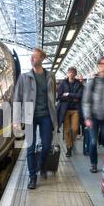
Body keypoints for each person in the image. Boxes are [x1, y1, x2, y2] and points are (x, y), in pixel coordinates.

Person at [13, 48, 57, 189]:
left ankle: (42, 165)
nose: (31, 59)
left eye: (34, 57)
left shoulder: (50, 76)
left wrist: (54, 117)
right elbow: (17, 99)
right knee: (30, 149)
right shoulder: (24, 77)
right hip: (29, 117)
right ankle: (32, 177)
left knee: (46, 146)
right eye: (31, 57)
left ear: (42, 59)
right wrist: (16, 120)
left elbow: (53, 97)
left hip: (46, 116)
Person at [82, 56, 104, 173]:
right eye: (103, 63)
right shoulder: (92, 82)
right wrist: (87, 117)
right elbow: (86, 101)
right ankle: (93, 164)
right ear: (99, 65)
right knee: (92, 141)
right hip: (93, 117)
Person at [57, 67, 83, 157]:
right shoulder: (63, 83)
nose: (71, 74)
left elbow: (80, 96)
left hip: (75, 110)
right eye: (70, 72)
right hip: (65, 110)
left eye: (73, 72)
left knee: (75, 129)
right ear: (67, 73)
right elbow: (59, 96)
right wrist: (73, 97)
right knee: (67, 130)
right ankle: (69, 148)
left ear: (75, 74)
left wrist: (68, 94)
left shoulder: (79, 84)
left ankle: (70, 141)